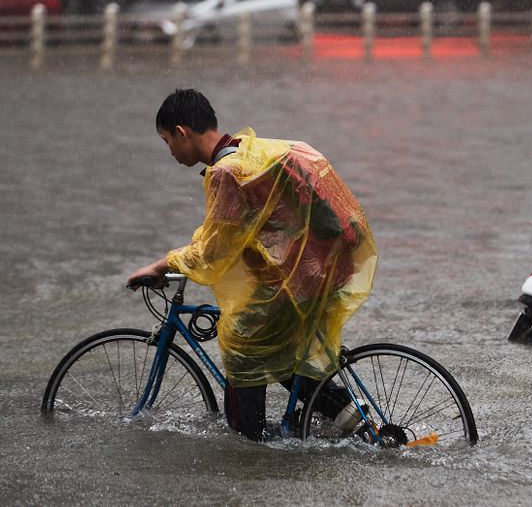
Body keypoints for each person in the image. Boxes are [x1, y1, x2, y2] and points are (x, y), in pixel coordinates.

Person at [127, 89, 377, 441]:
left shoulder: (227, 173)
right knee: (277, 352)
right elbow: (234, 233)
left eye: (167, 141)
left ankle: (255, 443)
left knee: (243, 343)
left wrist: (161, 265)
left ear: (182, 133)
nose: (170, 151)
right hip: (318, 273)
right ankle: (345, 415)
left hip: (293, 283)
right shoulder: (248, 152)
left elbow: (214, 252)